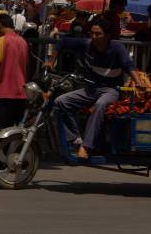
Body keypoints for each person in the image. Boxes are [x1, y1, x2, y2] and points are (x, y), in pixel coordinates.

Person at [47, 18, 143, 159]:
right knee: (60, 101)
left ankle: (86, 146)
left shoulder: (117, 47)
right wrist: (51, 62)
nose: (94, 37)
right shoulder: (87, 44)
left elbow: (129, 65)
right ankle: (74, 138)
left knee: (100, 104)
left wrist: (138, 82)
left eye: (98, 34)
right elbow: (61, 42)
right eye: (92, 33)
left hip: (111, 90)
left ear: (108, 35)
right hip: (90, 89)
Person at [0, 14, 28, 129]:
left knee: (3, 131)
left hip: (5, 92)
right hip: (21, 92)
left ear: (0, 25)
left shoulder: (2, 40)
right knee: (17, 132)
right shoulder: (23, 41)